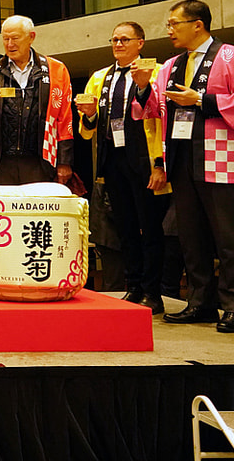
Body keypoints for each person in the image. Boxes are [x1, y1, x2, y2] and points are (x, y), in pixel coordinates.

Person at [134, 0, 234, 333]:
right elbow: (154, 109)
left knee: (228, 238)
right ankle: (200, 303)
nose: (169, 30)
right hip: (180, 157)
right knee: (191, 238)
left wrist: (201, 100)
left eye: (174, 24)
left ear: (198, 24)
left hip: (221, 156)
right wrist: (144, 86)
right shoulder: (171, 65)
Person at [77, 22, 170, 315]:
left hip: (145, 159)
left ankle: (153, 292)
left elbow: (162, 118)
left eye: (125, 39)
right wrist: (88, 115)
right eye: (115, 39)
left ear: (140, 43)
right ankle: (134, 286)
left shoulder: (156, 72)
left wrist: (160, 165)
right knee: (126, 228)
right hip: (113, 159)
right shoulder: (99, 77)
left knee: (150, 227)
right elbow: (87, 130)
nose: (118, 44)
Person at [0, 15, 74, 185]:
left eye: (15, 38)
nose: (10, 44)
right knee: (1, 203)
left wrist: (64, 161)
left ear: (31, 37)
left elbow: (65, 118)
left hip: (40, 161)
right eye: (5, 39)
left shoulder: (56, 70)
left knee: (38, 202)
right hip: (0, 162)